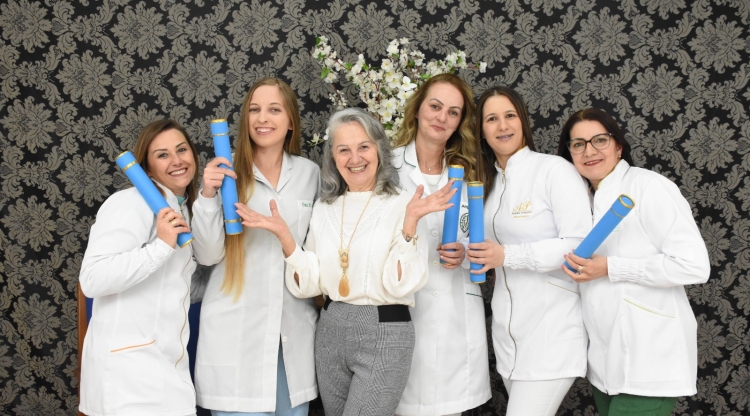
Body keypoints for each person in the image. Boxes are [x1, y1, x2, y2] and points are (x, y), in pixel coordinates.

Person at [236, 108, 456, 416]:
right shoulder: (325, 208)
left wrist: (409, 225)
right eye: (344, 150)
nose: (355, 158)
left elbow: (400, 284)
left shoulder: (406, 205)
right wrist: (286, 237)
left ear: (379, 150)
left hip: (385, 330)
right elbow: (309, 286)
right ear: (333, 157)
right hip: (331, 330)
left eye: (363, 146)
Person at [556, 108, 710, 416]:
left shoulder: (649, 187)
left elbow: (694, 265)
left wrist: (611, 267)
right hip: (604, 366)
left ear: (618, 146)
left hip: (650, 360)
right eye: (578, 144)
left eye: (600, 140)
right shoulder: (579, 201)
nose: (589, 151)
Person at [190, 77, 320, 416]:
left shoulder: (310, 174)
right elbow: (207, 255)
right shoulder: (226, 170)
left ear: (291, 121)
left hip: (291, 334)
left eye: (274, 110)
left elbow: (316, 253)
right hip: (236, 334)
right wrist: (207, 195)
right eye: (254, 110)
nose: (262, 118)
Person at [466, 86, 592, 416]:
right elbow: (486, 250)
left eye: (510, 115)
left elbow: (578, 245)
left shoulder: (554, 170)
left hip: (552, 334)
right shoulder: (487, 184)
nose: (502, 126)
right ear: (481, 130)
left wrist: (507, 255)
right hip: (508, 339)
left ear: (522, 120)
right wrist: (462, 252)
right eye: (491, 119)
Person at [79, 119, 200, 416]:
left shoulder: (182, 210)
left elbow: (177, 288)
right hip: (127, 377)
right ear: (148, 169)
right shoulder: (129, 202)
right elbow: (92, 279)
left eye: (181, 149)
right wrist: (161, 246)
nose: (176, 160)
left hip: (167, 372)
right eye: (162, 155)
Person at [391, 73, 491, 416]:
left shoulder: (471, 172)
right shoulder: (386, 168)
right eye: (435, 106)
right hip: (404, 310)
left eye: (453, 112)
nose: (442, 118)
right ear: (418, 108)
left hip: (455, 314)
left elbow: (483, 237)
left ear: (460, 121)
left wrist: (465, 251)